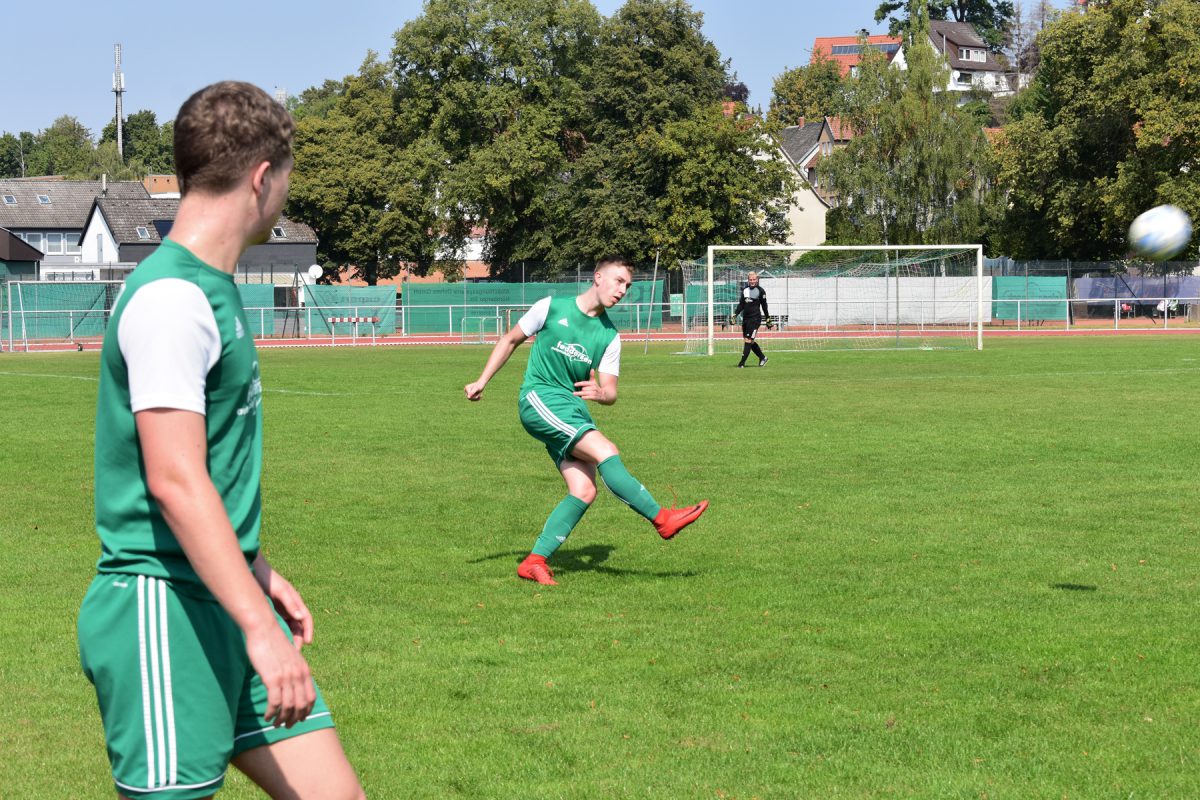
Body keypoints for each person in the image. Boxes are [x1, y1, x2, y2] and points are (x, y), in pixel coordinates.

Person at [76, 82, 364, 800]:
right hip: (166, 610)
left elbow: (212, 470)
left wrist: (257, 570)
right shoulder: (173, 299)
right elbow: (175, 481)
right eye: (288, 179)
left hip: (226, 600)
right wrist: (261, 631)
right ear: (263, 176)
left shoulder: (212, 287)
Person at [464, 256, 709, 586]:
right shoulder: (550, 307)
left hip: (573, 410)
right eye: (618, 281)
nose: (623, 290)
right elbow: (510, 340)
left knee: (584, 490)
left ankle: (534, 561)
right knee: (606, 449)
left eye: (628, 285)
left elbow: (610, 392)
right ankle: (662, 519)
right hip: (540, 398)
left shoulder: (609, 336)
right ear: (597, 277)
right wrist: (482, 381)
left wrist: (600, 393)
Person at [730, 271, 772, 367]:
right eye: (750, 280)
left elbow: (764, 306)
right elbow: (741, 304)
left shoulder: (761, 291)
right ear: (748, 280)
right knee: (749, 341)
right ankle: (763, 357)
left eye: (754, 279)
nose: (752, 281)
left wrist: (768, 318)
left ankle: (741, 363)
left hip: (755, 319)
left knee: (748, 340)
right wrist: (735, 314)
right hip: (746, 319)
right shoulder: (745, 290)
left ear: (757, 280)